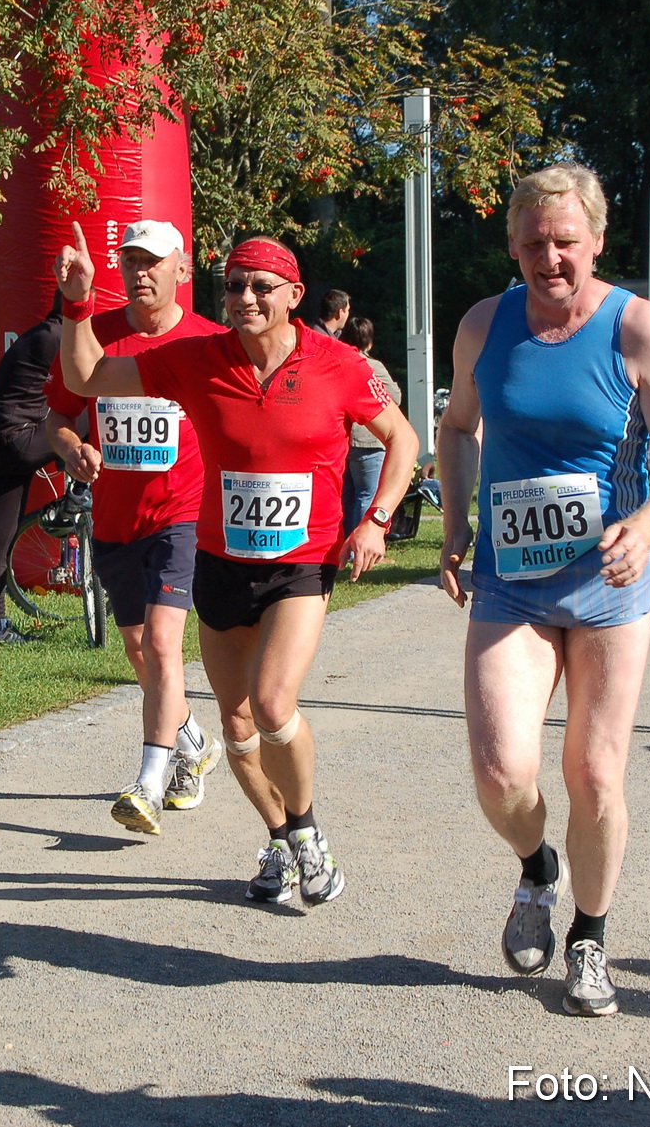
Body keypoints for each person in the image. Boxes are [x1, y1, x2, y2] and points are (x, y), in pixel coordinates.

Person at [57, 225, 418, 907]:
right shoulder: (197, 359)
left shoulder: (339, 363)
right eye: (234, 287)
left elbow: (402, 437)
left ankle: (307, 833)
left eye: (261, 287)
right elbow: (85, 378)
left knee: (275, 704)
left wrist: (375, 520)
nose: (245, 298)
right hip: (221, 562)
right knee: (238, 726)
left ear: (295, 294)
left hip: (301, 564)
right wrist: (77, 305)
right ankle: (280, 838)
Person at [436, 162, 650, 1017]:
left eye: (565, 242)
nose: (550, 259)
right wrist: (454, 526)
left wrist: (644, 529)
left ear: (597, 240)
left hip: (608, 584)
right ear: (512, 246)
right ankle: (536, 867)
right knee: (500, 772)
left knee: (593, 773)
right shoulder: (485, 324)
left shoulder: (640, 328)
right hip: (510, 582)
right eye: (533, 244)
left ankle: (589, 935)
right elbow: (457, 426)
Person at [43, 220, 227, 835]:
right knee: (138, 650)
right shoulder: (94, 336)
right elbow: (57, 415)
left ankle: (150, 781)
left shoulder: (212, 341)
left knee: (164, 644)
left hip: (184, 514)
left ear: (182, 269)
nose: (140, 272)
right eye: (130, 261)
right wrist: (72, 447)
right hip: (118, 519)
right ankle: (193, 741)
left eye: (153, 261)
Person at [0, 297, 61, 644]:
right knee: (89, 417)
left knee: (0, 541)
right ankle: (79, 495)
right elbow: (91, 382)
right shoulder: (57, 337)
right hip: (16, 440)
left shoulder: (43, 332)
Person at [339, 317, 404, 535]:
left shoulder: (337, 362)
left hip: (345, 439)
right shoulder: (373, 366)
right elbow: (395, 396)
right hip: (368, 440)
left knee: (346, 497)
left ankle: (342, 543)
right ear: (369, 341)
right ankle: (360, 545)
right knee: (367, 495)